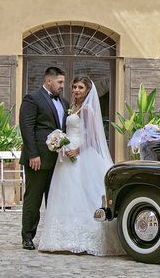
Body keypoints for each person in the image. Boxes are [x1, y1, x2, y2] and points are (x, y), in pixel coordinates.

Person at [37, 76, 123, 256]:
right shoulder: (73, 108)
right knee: (66, 194)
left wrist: (77, 150)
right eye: (74, 87)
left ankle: (86, 237)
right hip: (66, 155)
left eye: (80, 87)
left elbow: (93, 138)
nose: (76, 90)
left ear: (87, 90)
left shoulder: (88, 110)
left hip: (81, 155)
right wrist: (59, 142)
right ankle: (62, 238)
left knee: (83, 193)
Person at [19, 66, 70, 251]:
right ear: (49, 81)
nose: (62, 85)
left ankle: (52, 236)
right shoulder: (32, 98)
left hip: (58, 160)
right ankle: (27, 237)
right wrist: (33, 154)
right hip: (38, 159)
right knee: (33, 199)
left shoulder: (64, 102)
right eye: (60, 82)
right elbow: (26, 127)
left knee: (54, 199)